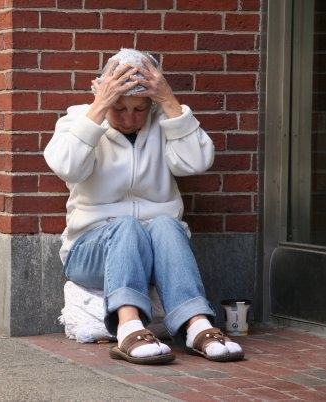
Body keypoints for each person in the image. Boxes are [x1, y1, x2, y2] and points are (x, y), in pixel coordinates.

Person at [44, 48, 244, 365]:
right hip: (90, 251)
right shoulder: (78, 119)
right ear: (102, 94)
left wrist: (169, 103)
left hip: (157, 249)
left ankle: (197, 325)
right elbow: (66, 166)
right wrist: (98, 109)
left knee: (166, 224)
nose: (128, 118)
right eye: (118, 107)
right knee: (127, 225)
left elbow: (197, 162)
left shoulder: (165, 121)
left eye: (139, 109)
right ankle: (128, 327)